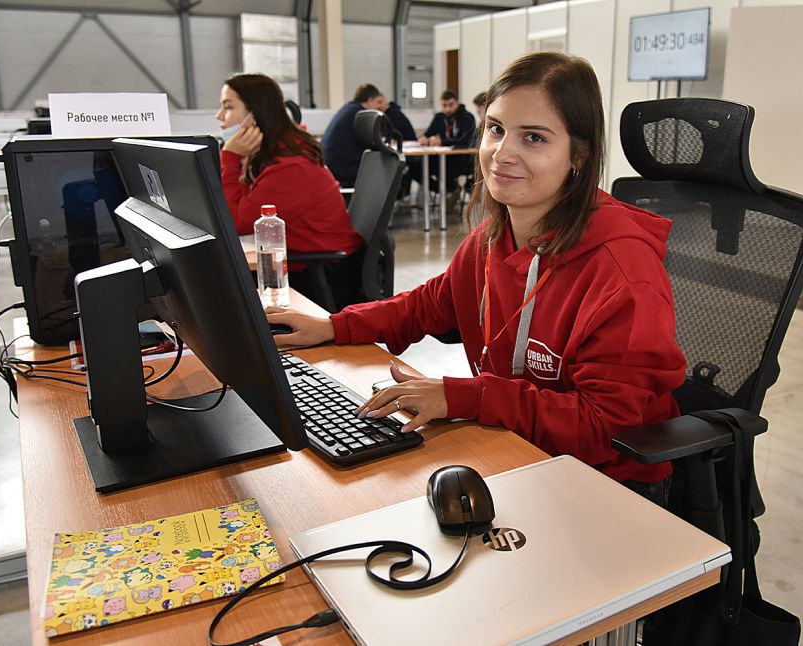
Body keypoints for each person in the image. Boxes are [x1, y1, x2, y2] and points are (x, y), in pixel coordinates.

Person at [267, 52, 687, 500]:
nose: (502, 154)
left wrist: (467, 397)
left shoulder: (623, 275)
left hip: (608, 484)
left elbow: (605, 428)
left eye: (534, 138)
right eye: (496, 129)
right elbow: (428, 304)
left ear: (578, 155)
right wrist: (334, 326)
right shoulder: (493, 237)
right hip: (518, 449)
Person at [216, 73, 362, 308]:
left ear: (256, 114)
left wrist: (230, 157)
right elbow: (240, 207)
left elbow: (233, 223)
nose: (219, 116)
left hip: (320, 277)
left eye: (228, 107)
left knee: (218, 289)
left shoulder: (291, 167)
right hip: (303, 265)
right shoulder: (276, 154)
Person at [323, 84, 412, 189]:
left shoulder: (349, 109)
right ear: (370, 100)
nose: (379, 107)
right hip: (345, 166)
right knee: (389, 167)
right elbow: (376, 140)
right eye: (378, 102)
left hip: (333, 162)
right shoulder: (361, 114)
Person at [418, 89, 477, 193]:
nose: (447, 109)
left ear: (457, 102)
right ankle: (446, 191)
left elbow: (466, 141)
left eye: (451, 105)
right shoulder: (439, 117)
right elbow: (428, 133)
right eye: (444, 105)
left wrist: (441, 142)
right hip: (444, 157)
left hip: (462, 158)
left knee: (444, 167)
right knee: (418, 166)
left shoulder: (467, 117)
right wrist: (423, 138)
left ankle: (450, 191)